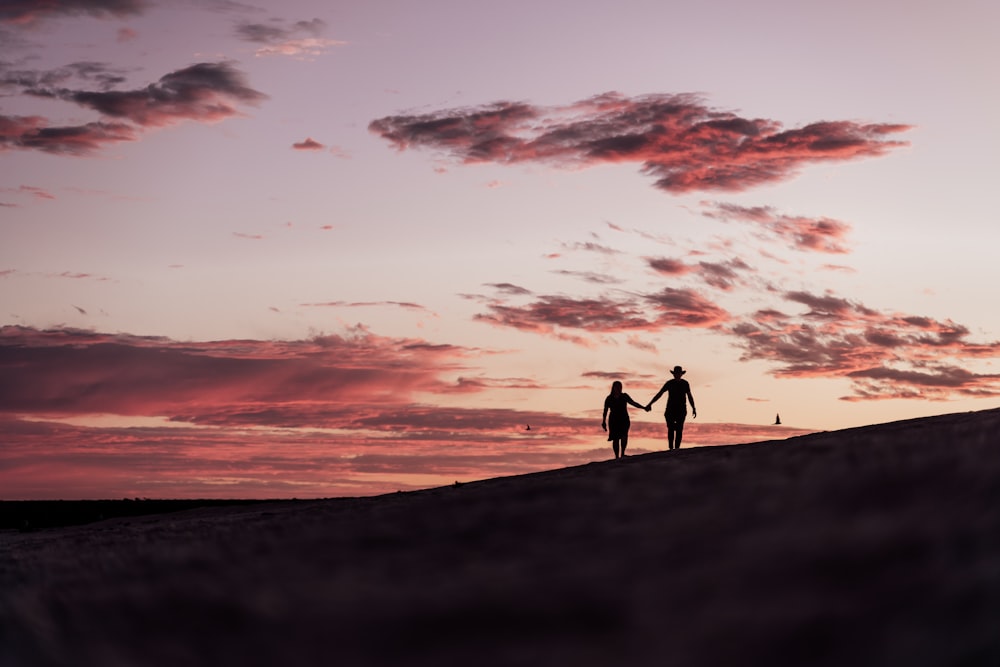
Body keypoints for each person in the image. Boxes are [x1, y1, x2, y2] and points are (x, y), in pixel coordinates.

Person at [646, 365, 696, 450]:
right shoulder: (669, 383)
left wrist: (694, 408)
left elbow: (689, 396)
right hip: (670, 409)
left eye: (678, 373)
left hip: (681, 409)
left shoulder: (685, 383)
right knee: (671, 429)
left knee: (679, 429)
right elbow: (660, 394)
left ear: (681, 374)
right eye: (675, 373)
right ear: (674, 374)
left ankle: (676, 449)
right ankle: (671, 448)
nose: (677, 375)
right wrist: (650, 403)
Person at [602, 380, 649, 459]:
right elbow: (605, 410)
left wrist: (643, 407)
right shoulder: (609, 398)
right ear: (613, 388)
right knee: (615, 438)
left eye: (620, 387)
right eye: (617, 387)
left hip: (624, 418)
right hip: (613, 420)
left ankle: (623, 453)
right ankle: (617, 456)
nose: (619, 388)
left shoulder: (624, 396)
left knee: (624, 435)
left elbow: (633, 403)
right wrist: (603, 421)